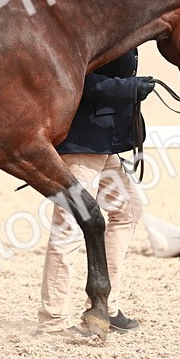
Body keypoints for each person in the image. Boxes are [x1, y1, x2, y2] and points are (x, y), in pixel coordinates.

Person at [37, 49, 155, 338]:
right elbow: (76, 78)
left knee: (128, 210)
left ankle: (104, 305)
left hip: (105, 140)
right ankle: (52, 319)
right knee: (68, 226)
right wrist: (128, 88)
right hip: (83, 141)